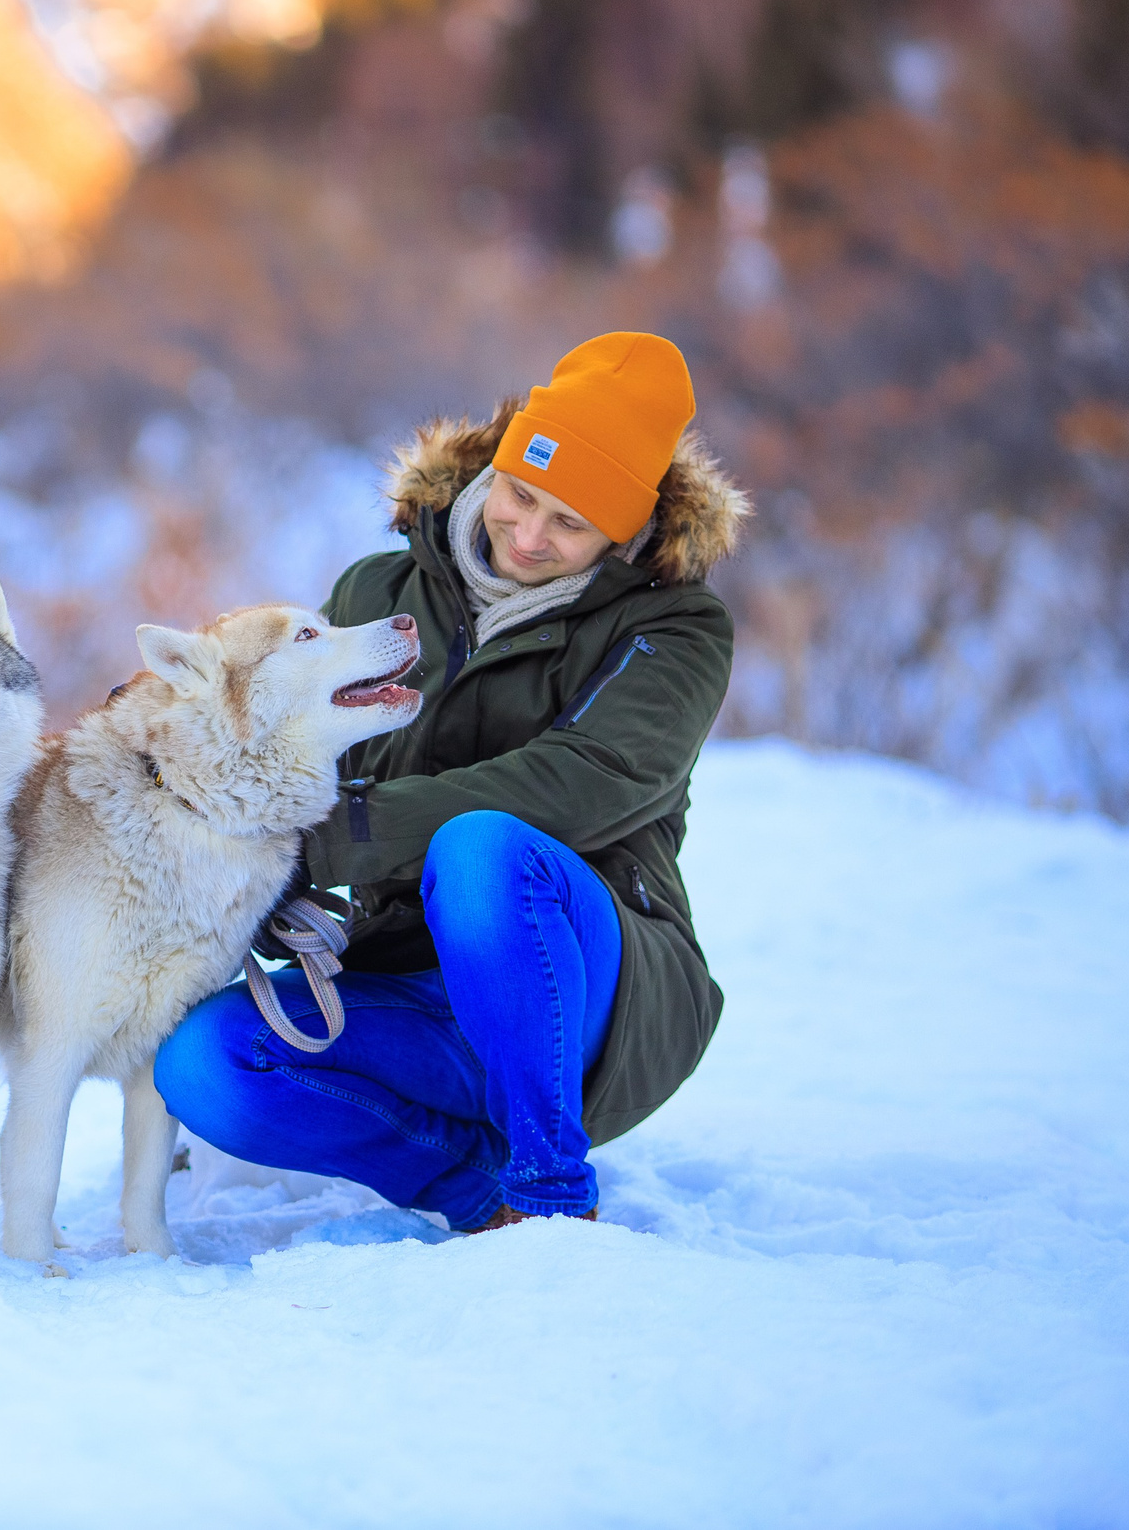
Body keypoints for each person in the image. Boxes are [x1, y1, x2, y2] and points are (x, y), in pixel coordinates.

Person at [154, 332, 750, 1230]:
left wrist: (352, 833)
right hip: (405, 984)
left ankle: (548, 1194)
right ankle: (475, 1190)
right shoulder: (377, 593)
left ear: (625, 531)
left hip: (583, 991)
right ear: (497, 467)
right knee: (204, 1062)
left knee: (483, 849)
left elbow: (587, 778)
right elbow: (295, 759)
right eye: (521, 494)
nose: (529, 534)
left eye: (571, 523)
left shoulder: (677, 629)